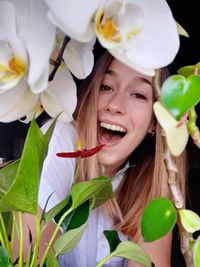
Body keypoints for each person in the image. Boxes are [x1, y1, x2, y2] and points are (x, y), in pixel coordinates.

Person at [19, 52, 187, 267]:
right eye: (106, 87)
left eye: (138, 94)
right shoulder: (61, 137)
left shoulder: (152, 184)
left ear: (155, 122)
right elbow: (24, 261)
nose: (115, 105)